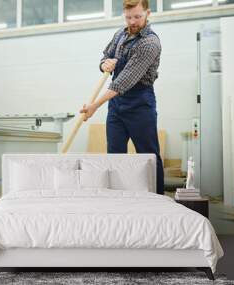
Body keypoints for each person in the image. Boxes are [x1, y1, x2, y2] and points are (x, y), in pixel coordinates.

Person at [80, 0, 164, 194]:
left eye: (137, 16)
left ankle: (158, 201)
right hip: (116, 105)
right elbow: (105, 56)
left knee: (148, 157)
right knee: (115, 156)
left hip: (140, 104)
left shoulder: (150, 43)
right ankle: (117, 199)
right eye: (128, 17)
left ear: (148, 13)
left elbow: (123, 82)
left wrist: (95, 105)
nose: (132, 21)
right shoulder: (120, 34)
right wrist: (105, 64)